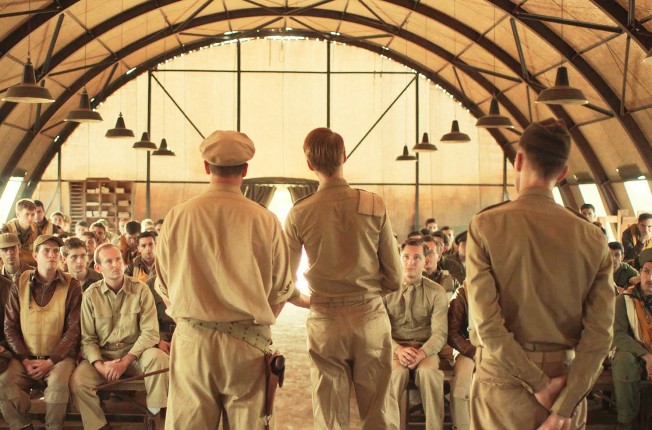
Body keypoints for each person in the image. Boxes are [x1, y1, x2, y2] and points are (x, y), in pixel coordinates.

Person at [466, 118, 614, 429]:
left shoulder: (486, 226)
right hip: (565, 381)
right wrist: (565, 405)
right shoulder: (593, 238)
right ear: (563, 173)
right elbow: (599, 336)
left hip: (504, 384)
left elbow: (488, 325)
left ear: (519, 160)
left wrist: (538, 384)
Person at [155, 130, 297, 429]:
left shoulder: (177, 216)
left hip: (193, 343)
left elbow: (164, 286)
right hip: (247, 346)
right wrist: (254, 321)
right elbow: (282, 290)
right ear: (245, 170)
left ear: (207, 167)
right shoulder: (266, 220)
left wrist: (193, 322)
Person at [284, 127, 402, 429]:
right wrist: (368, 296)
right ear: (344, 156)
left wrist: (308, 301)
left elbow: (283, 282)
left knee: (330, 415)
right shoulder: (374, 204)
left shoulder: (299, 213)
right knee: (379, 412)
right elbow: (395, 277)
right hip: (370, 317)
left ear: (309, 164)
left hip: (325, 319)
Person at [70, 243, 168, 430]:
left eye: (118, 260)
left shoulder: (141, 289)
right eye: (109, 261)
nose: (116, 265)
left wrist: (125, 361)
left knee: (159, 359)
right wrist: (101, 366)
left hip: (136, 355)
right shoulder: (90, 295)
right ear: (98, 268)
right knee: (78, 381)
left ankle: (156, 415)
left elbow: (150, 333)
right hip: (104, 356)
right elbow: (88, 339)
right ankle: (99, 426)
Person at [0, 235, 82, 430]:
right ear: (35, 256)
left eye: (55, 251)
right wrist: (24, 359)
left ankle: (53, 427)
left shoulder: (72, 285)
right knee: (4, 382)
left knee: (57, 388)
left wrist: (51, 361)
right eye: (46, 251)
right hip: (25, 357)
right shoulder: (20, 283)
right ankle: (22, 426)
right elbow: (10, 326)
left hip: (59, 359)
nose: (52, 255)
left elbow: (74, 330)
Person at [384, 238, 448, 429]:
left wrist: (422, 353)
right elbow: (379, 331)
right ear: (399, 259)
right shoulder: (386, 291)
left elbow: (440, 333)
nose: (410, 262)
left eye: (417, 258)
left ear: (426, 261)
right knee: (395, 375)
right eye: (406, 257)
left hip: (425, 348)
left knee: (429, 374)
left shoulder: (436, 292)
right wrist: (398, 349)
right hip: (395, 349)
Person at [611, 249, 652, 429]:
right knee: (623, 360)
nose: (650, 278)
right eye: (647, 271)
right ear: (640, 273)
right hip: (635, 354)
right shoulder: (624, 300)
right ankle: (627, 420)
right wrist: (646, 356)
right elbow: (618, 334)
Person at [448, 284, 475, 430]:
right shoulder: (463, 292)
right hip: (468, 349)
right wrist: (474, 353)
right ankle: (462, 426)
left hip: (500, 350)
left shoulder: (508, 289)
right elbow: (452, 333)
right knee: (462, 381)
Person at [1, 199, 39, 266]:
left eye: (33, 215)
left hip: (30, 267)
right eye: (27, 214)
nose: (30, 218)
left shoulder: (36, 228)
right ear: (18, 215)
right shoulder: (6, 230)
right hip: (10, 266)